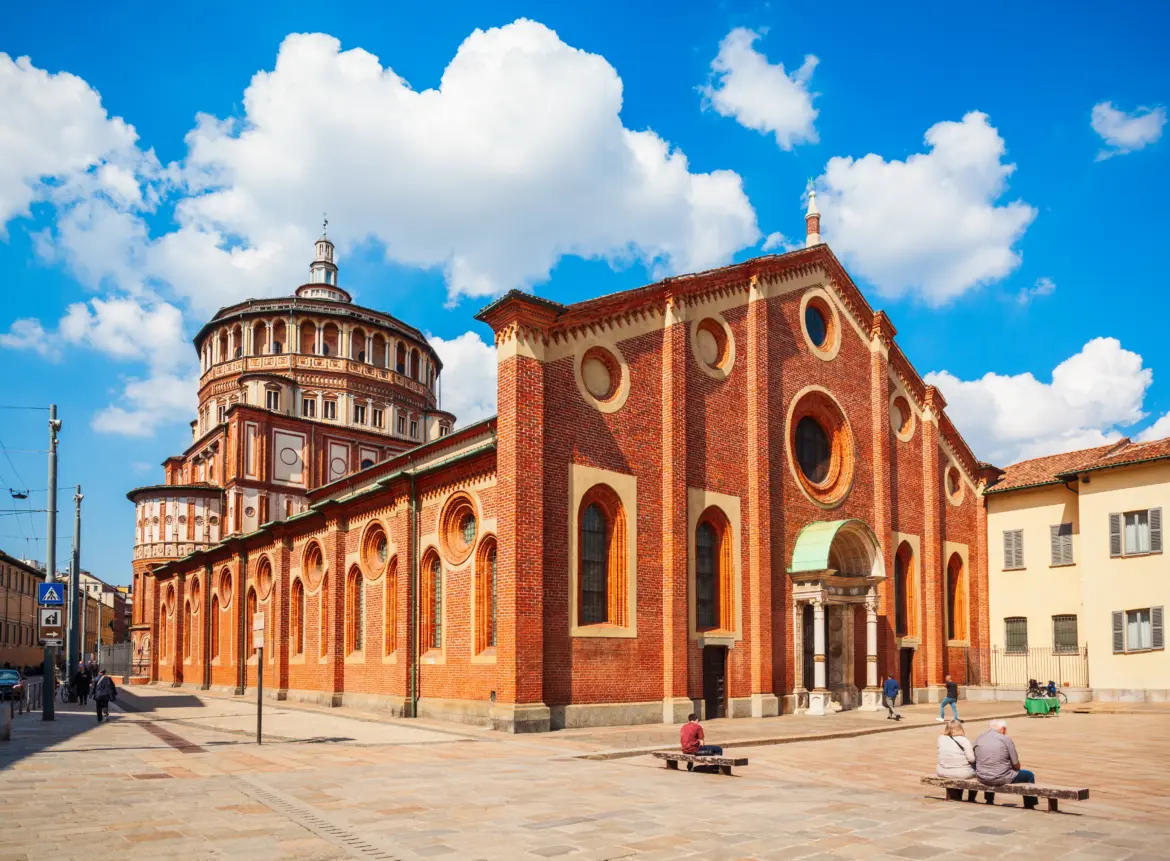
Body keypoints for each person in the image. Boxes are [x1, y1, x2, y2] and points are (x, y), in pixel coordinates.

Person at [974, 719, 1037, 808]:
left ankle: (989, 800)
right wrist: (1016, 768)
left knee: (989, 768)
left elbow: (975, 758)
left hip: (982, 776)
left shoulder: (979, 738)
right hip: (1001, 777)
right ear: (1003, 729)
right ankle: (1029, 804)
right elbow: (1016, 763)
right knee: (1029, 775)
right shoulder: (1005, 739)